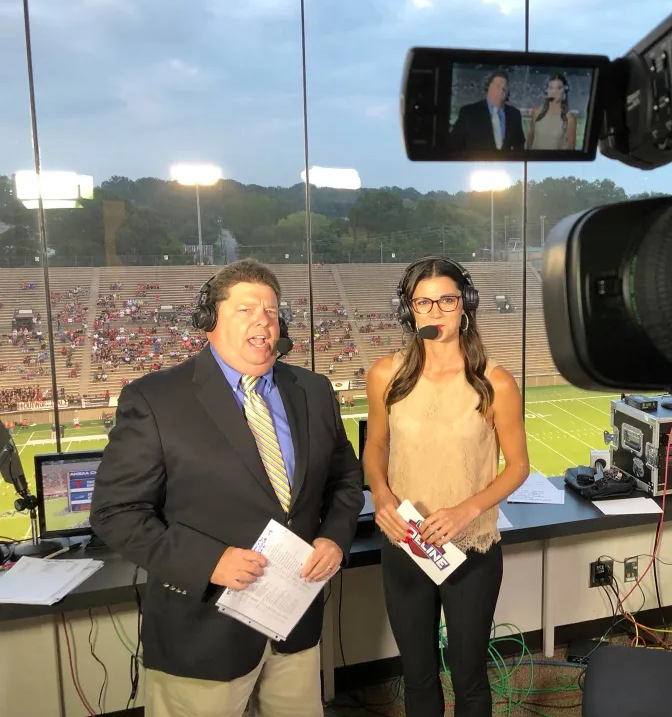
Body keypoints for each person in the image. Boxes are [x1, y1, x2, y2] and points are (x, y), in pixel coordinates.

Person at [91, 258, 363, 717]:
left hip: (293, 624)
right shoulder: (156, 398)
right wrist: (210, 562)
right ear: (210, 321)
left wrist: (334, 537)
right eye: (246, 309)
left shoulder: (313, 390)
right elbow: (116, 512)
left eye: (271, 311)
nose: (263, 320)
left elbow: (345, 480)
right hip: (203, 633)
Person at [363, 256, 530, 717]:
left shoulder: (495, 382)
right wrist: (380, 494)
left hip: (470, 549)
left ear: (465, 306)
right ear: (409, 310)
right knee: (417, 674)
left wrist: (466, 510)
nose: (435, 311)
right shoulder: (385, 375)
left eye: (447, 300)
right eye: (423, 301)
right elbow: (375, 447)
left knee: (468, 674)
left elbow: (518, 467)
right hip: (405, 543)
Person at [449, 70, 527, 152]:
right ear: (488, 87)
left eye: (505, 87)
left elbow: (519, 144)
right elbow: (455, 144)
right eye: (498, 85)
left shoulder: (515, 114)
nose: (502, 89)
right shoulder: (469, 112)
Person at [527, 74, 577, 150]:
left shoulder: (569, 118)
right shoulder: (536, 111)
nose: (554, 91)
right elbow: (530, 138)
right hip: (536, 160)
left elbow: (571, 150)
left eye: (559, 88)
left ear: (565, 91)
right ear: (546, 90)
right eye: (551, 88)